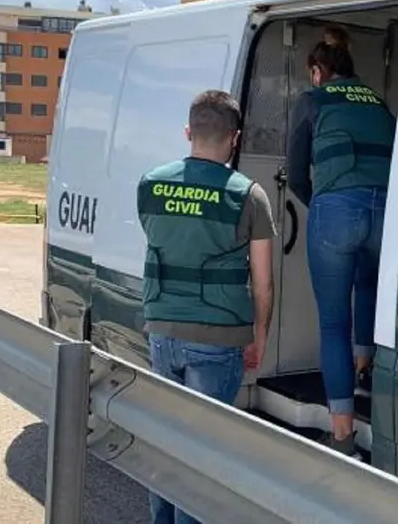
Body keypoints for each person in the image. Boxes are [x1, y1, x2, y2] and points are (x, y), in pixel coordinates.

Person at [136, 89, 275, 524]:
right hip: (218, 340)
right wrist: (260, 336)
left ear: (188, 132)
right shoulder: (249, 195)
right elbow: (263, 283)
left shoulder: (151, 184)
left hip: (163, 333)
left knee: (167, 441)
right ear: (234, 138)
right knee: (203, 457)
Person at [287, 33, 396, 457]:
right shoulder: (378, 101)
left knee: (334, 324)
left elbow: (297, 172)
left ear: (318, 72)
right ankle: (365, 371)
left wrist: (323, 204)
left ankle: (342, 436)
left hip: (336, 209)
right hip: (385, 210)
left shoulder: (314, 100)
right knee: (368, 287)